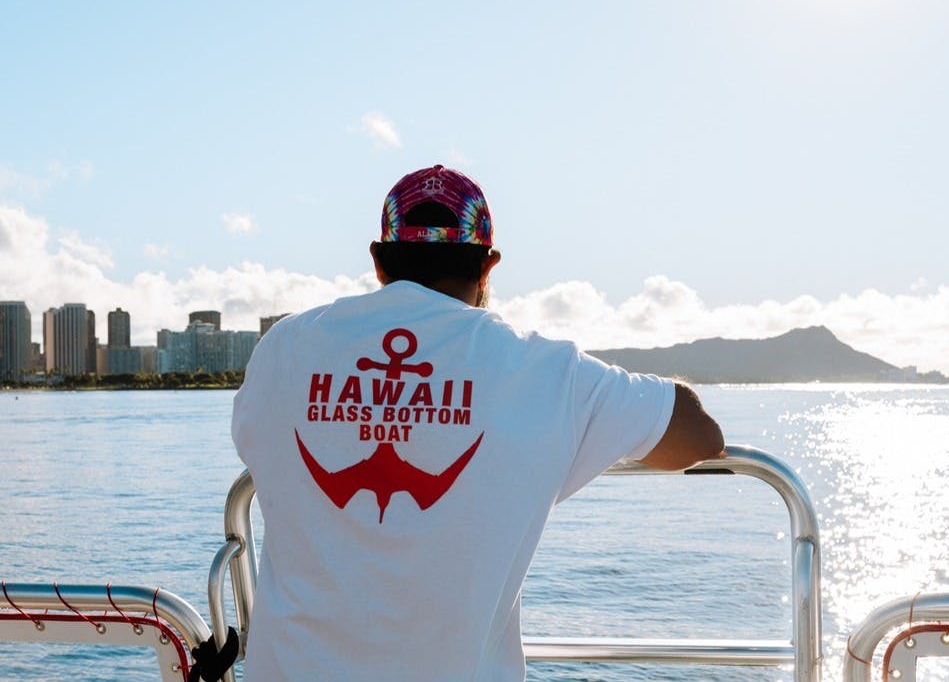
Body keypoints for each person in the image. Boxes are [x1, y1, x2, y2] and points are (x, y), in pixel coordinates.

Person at [231, 164, 724, 682]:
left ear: (378, 261)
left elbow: (257, 445)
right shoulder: (544, 371)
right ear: (488, 266)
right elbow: (698, 437)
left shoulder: (282, 350)